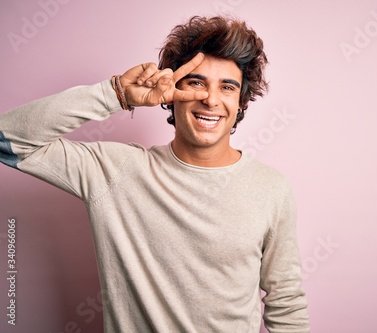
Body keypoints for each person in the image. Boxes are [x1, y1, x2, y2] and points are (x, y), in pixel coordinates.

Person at [0, 16, 309, 332]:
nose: (211, 99)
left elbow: (286, 305)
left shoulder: (271, 189)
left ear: (240, 103)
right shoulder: (115, 172)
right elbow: (6, 139)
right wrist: (117, 93)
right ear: (171, 92)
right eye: (196, 82)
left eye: (226, 87)